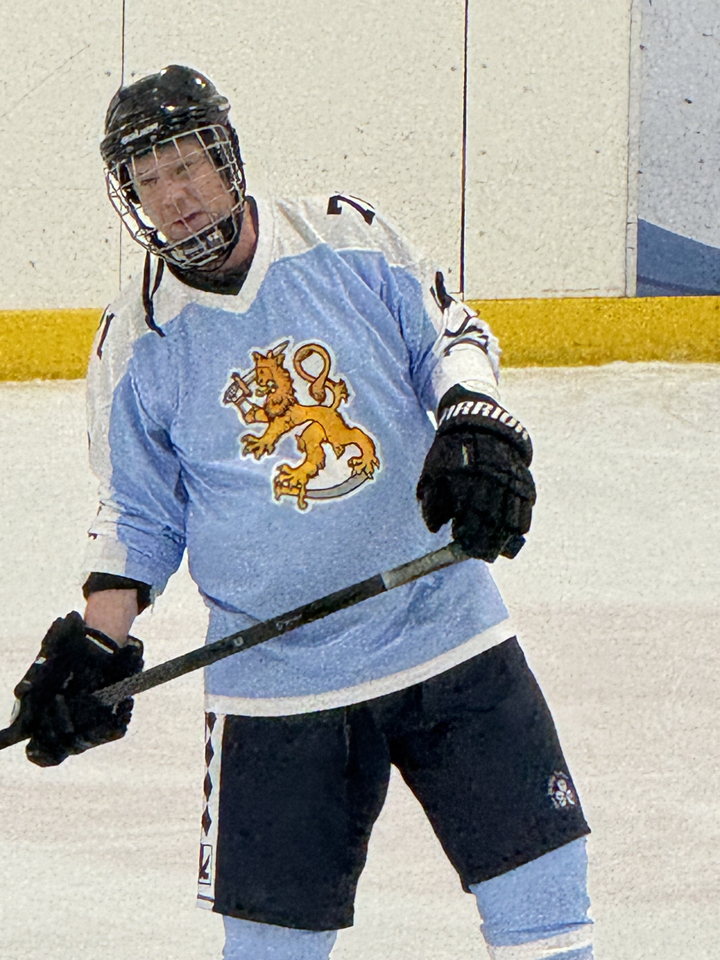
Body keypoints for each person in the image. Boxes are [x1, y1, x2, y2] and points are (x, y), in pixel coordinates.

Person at [9, 65, 593, 960]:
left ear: (225, 153)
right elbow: (136, 514)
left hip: (449, 636)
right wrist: (99, 641)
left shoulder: (340, 237)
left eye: (187, 164)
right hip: (278, 686)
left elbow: (451, 337)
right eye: (150, 180)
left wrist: (476, 417)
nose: (176, 195)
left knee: (548, 915)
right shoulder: (136, 339)